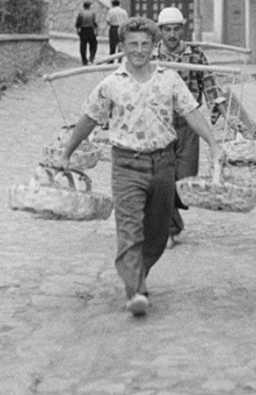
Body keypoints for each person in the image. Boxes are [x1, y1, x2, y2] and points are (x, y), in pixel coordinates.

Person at [54, 16, 223, 317]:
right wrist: (67, 153)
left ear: (154, 46)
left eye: (145, 44)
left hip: (163, 164)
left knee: (157, 234)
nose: (139, 50)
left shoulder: (169, 79)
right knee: (130, 231)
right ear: (122, 47)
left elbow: (192, 112)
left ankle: (137, 273)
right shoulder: (111, 84)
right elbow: (88, 118)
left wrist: (213, 142)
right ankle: (136, 291)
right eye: (133, 44)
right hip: (126, 165)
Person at [155, 6, 228, 247]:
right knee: (163, 177)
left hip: (190, 124)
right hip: (160, 124)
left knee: (185, 177)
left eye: (176, 29)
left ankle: (171, 219)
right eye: (167, 30)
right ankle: (167, 227)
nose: (172, 34)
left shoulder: (194, 55)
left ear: (182, 29)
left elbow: (207, 81)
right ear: (161, 31)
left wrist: (217, 105)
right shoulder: (153, 56)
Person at [75, 1, 98, 66]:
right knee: (93, 44)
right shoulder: (92, 13)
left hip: (83, 30)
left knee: (83, 45)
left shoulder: (81, 13)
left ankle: (84, 60)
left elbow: (78, 23)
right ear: (89, 6)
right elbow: (94, 22)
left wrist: (77, 30)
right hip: (90, 30)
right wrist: (96, 31)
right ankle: (91, 57)